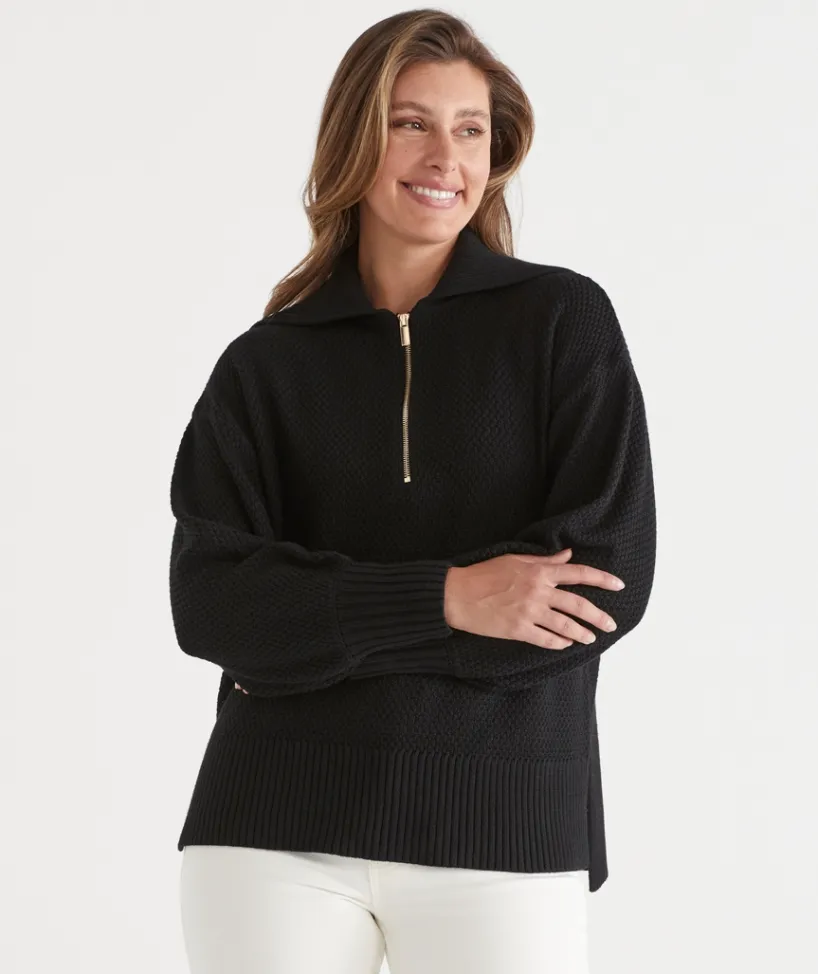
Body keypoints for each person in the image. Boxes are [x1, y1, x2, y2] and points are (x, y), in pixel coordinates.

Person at [170, 8, 656, 974]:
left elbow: (601, 585)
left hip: (504, 823)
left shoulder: (563, 322)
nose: (445, 157)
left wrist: (314, 635)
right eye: (411, 123)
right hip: (271, 828)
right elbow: (213, 602)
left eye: (470, 129)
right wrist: (451, 597)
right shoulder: (265, 366)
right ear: (355, 139)